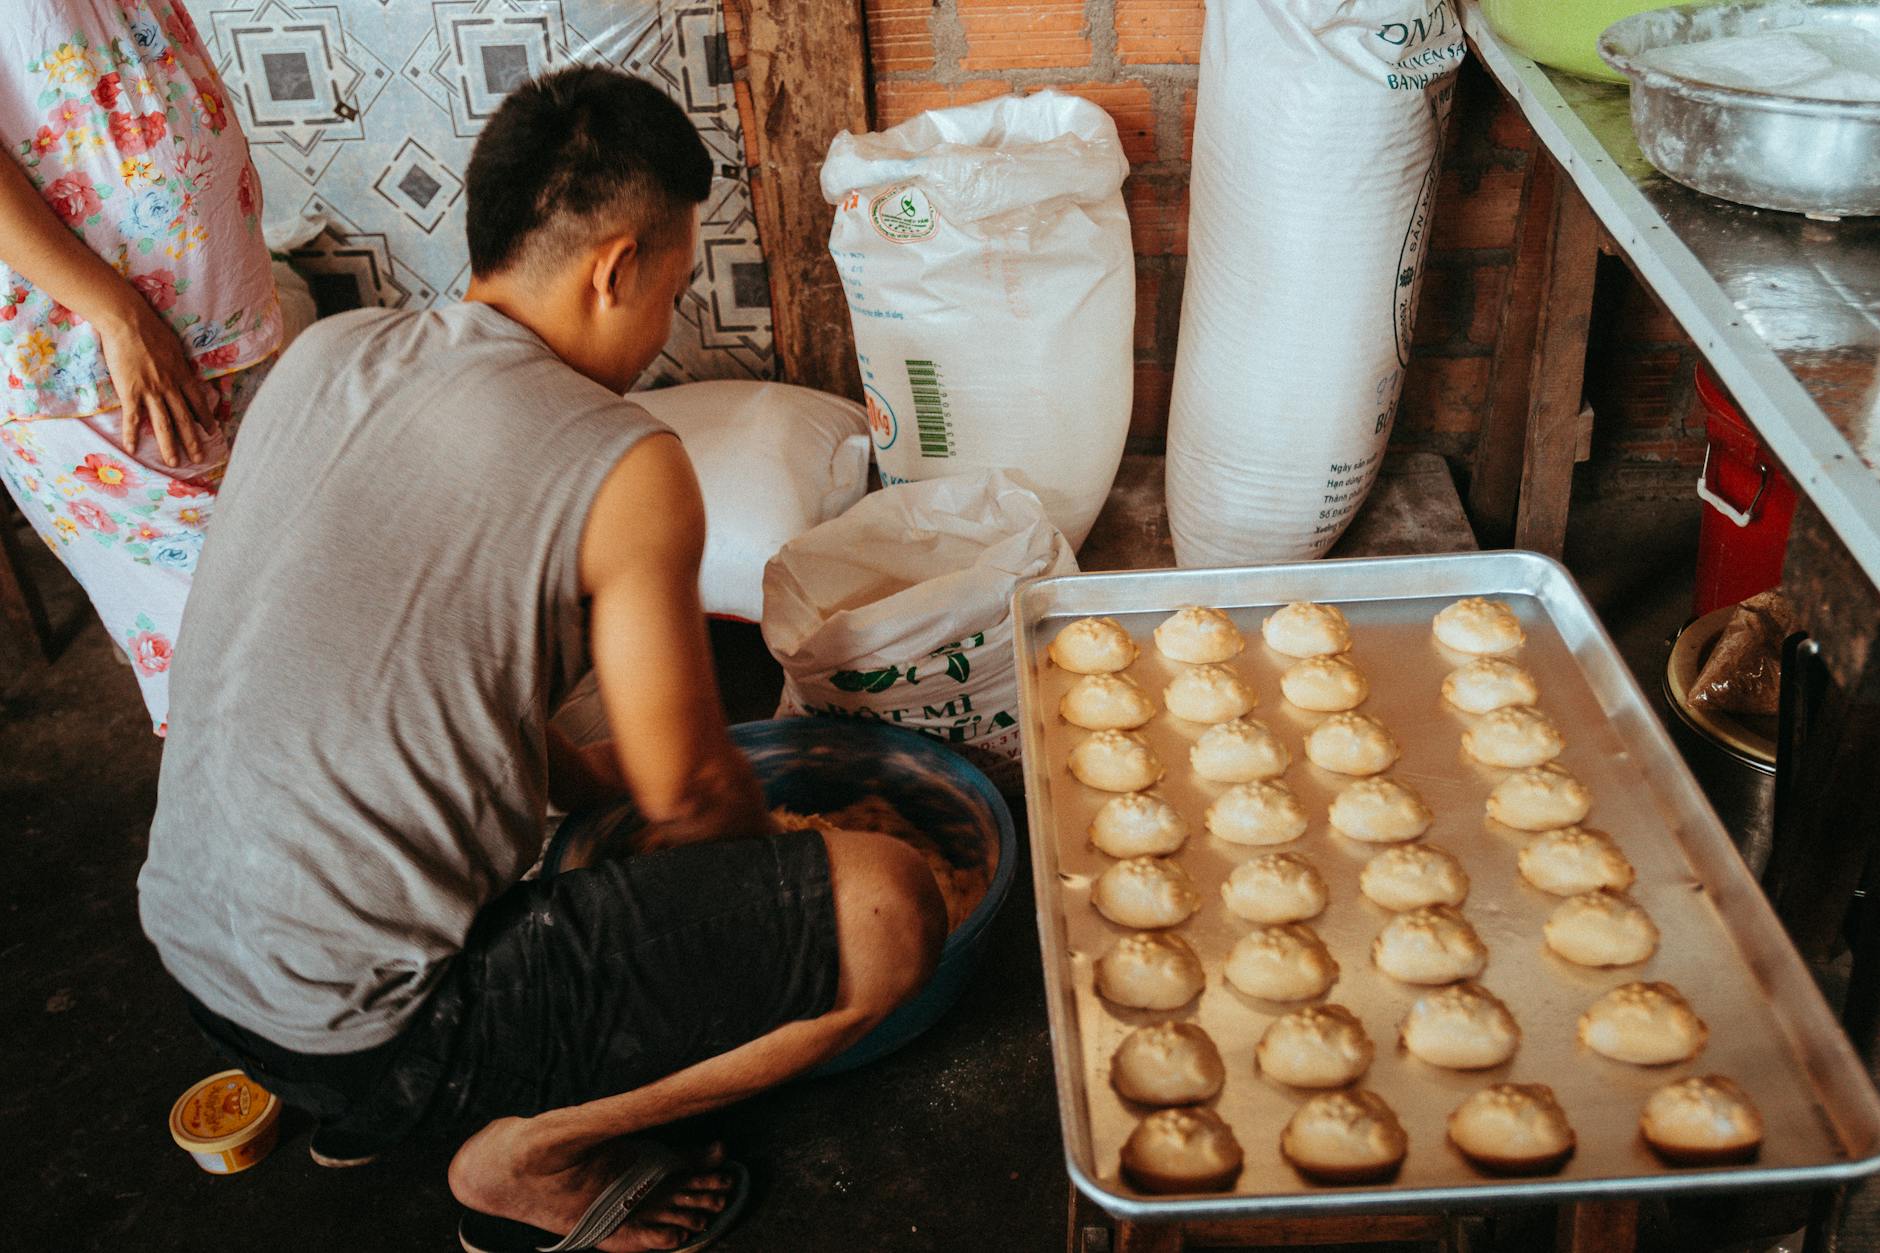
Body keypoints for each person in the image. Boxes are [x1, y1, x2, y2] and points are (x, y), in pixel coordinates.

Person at [136, 65, 944, 1252]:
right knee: (890, 911)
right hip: (383, 1034)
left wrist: (603, 787)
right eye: (670, 289)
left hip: (198, 960)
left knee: (607, 763)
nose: (663, 326)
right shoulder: (623, 460)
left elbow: (407, 666)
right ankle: (526, 1155)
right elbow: (694, 794)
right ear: (615, 269)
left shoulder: (328, 355)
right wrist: (766, 887)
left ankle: (367, 1101)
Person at [0, 0, 280, 732]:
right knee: (249, 663)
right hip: (95, 366)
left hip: (218, 329)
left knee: (284, 622)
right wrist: (119, 317)